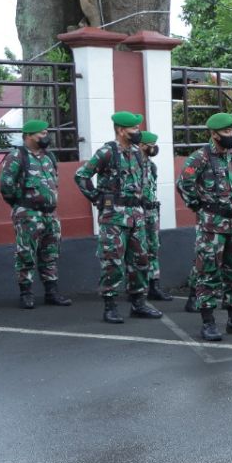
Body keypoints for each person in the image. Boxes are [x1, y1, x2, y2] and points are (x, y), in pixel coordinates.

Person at [175, 111, 232, 341]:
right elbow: (183, 184)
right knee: (208, 274)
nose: (231, 135)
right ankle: (209, 322)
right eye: (226, 132)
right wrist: (200, 207)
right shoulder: (199, 158)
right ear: (213, 134)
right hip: (212, 228)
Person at [75, 111, 161, 324]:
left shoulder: (138, 153)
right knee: (112, 261)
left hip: (136, 216)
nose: (137, 132)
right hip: (113, 217)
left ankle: (138, 303)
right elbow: (81, 175)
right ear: (121, 130)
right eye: (133, 129)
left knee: (140, 260)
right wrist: (97, 198)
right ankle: (110, 306)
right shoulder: (107, 152)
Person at [0, 119, 72, 309]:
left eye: (46, 132)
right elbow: (6, 186)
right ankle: (26, 293)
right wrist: (20, 205)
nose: (45, 136)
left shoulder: (49, 157)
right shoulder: (17, 156)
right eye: (42, 133)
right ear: (29, 135)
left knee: (51, 254)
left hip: (50, 215)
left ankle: (51, 292)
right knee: (26, 254)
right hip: (28, 214)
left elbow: (54, 182)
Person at [137, 131, 173, 302]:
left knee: (153, 249)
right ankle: (136, 289)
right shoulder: (132, 165)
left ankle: (154, 287)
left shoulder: (151, 166)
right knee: (136, 250)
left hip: (151, 212)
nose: (153, 148)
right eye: (150, 145)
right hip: (136, 212)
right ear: (142, 145)